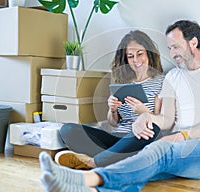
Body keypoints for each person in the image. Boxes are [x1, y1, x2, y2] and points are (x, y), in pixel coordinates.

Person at [39, 20, 200, 192]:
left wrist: (182, 135)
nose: (172, 54)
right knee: (138, 170)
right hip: (171, 145)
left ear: (193, 42)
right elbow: (166, 119)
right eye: (170, 48)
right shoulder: (173, 77)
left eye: (175, 47)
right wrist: (146, 117)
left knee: (158, 150)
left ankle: (88, 170)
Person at [56, 30, 165, 169]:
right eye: (130, 56)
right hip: (116, 140)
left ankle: (93, 162)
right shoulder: (121, 82)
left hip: (138, 140)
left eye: (140, 54)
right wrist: (112, 109)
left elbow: (162, 121)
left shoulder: (161, 82)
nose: (136, 60)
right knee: (67, 130)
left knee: (152, 128)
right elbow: (113, 122)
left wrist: (144, 112)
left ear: (148, 53)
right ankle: (115, 159)